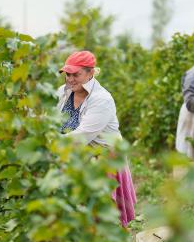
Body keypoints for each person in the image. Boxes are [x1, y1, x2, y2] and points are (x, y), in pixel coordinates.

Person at [57, 50, 136, 227]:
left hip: (103, 159)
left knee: (102, 214)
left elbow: (82, 135)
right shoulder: (63, 92)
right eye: (67, 74)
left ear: (90, 73)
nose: (70, 79)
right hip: (74, 156)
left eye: (75, 74)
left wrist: (48, 143)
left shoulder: (102, 100)